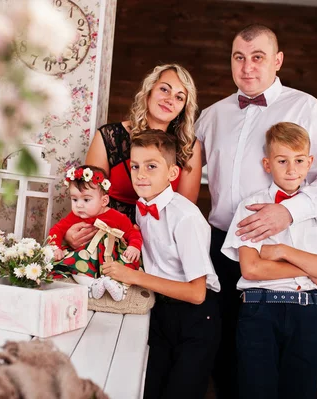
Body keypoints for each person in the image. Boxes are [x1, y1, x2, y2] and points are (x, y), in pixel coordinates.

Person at [195, 24, 317, 398]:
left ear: (277, 61)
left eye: (258, 57)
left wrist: (289, 212)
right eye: (239, 57)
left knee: (289, 362)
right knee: (227, 352)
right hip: (220, 245)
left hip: (278, 246)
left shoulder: (305, 108)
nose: (247, 67)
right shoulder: (213, 116)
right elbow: (184, 173)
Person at [221, 122, 317, 398]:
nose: (291, 169)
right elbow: (252, 268)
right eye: (282, 161)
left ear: (309, 163)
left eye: (299, 160)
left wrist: (282, 252)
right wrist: (310, 270)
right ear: (268, 164)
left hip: (306, 314)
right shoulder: (250, 207)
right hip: (259, 312)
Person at [101, 129, 220, 399]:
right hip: (160, 311)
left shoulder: (185, 217)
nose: (141, 174)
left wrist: (134, 277)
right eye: (135, 166)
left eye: (151, 166)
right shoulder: (143, 207)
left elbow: (196, 293)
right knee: (150, 389)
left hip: (196, 318)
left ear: (172, 173)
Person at [64, 64, 201, 249]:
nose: (170, 100)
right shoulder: (109, 136)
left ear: (184, 107)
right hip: (107, 238)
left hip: (160, 246)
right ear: (149, 91)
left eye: (179, 97)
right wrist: (70, 233)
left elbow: (184, 211)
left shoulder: (188, 147)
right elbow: (87, 198)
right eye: (164, 89)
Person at [48, 165, 143, 301]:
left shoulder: (117, 217)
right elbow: (57, 230)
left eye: (86, 200)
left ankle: (118, 287)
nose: (79, 205)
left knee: (127, 261)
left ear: (104, 201)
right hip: (86, 257)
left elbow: (131, 232)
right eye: (74, 199)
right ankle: (92, 285)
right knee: (75, 265)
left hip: (110, 258)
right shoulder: (74, 217)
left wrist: (134, 246)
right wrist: (55, 247)